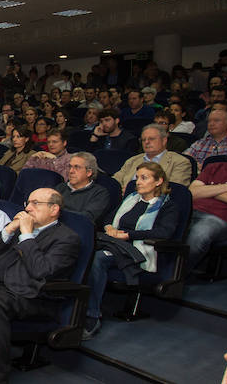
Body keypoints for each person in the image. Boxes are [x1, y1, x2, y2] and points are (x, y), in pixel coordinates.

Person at [0, 188, 80, 383]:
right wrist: (9, 230)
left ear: (54, 209)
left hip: (30, 296)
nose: (28, 208)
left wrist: (27, 235)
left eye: (35, 203)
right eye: (27, 203)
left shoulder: (67, 238)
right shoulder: (18, 228)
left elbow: (41, 271)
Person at [84, 162, 178, 339]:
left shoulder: (167, 206)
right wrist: (110, 227)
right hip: (117, 243)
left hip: (138, 249)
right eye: (137, 177)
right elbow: (109, 218)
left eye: (144, 178)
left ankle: (92, 317)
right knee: (83, 251)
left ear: (159, 181)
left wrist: (129, 235)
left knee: (97, 258)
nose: (138, 182)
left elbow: (164, 232)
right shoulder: (132, 198)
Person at [186, 127, 227, 271]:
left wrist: (209, 189)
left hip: (223, 219)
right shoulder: (213, 167)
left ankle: (176, 277)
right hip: (191, 211)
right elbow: (191, 193)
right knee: (161, 225)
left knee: (200, 233)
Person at [113, 124, 192, 190]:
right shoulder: (133, 160)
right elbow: (114, 182)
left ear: (164, 141)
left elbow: (175, 190)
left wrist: (135, 190)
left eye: (151, 139)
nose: (146, 142)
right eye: (143, 140)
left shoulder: (179, 162)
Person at [55, 152, 111, 226]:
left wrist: (55, 214)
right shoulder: (60, 187)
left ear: (89, 172)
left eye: (77, 167)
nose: (71, 171)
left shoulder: (99, 193)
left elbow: (85, 218)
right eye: (70, 167)